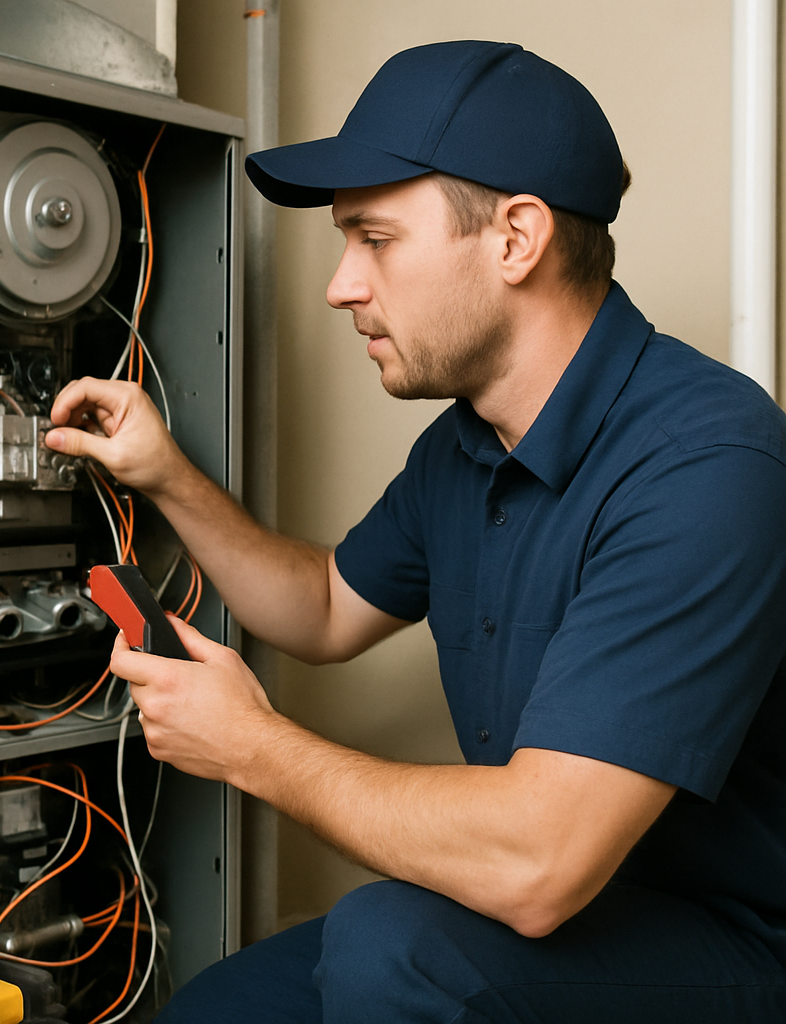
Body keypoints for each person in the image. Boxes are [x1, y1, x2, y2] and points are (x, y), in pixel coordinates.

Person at [44, 40, 786, 1023]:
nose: (339, 285)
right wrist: (166, 473)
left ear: (515, 238)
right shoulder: (464, 446)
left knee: (390, 944)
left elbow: (539, 860)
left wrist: (252, 746)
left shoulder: (708, 462)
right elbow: (317, 607)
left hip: (730, 941)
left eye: (375, 239)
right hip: (556, 915)